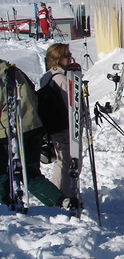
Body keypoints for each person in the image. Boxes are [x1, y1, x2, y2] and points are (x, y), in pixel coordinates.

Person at [0, 59, 70, 209]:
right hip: (33, 126)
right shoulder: (13, 70)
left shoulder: (4, 73)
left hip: (9, 131)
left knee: (3, 174)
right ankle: (61, 202)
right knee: (30, 173)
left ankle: (6, 207)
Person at [40, 44, 75, 198]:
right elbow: (71, 105)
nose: (70, 57)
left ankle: (59, 195)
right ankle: (61, 196)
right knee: (65, 162)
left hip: (52, 127)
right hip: (64, 126)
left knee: (62, 161)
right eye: (66, 55)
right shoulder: (61, 79)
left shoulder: (46, 76)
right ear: (57, 58)